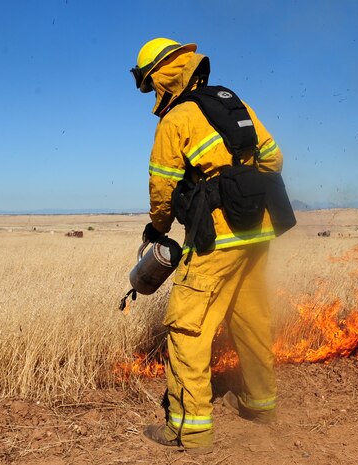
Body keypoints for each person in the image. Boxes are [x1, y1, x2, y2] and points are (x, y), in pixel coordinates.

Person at [130, 38, 285, 453]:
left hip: (217, 239)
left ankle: (189, 430)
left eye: (149, 86)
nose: (152, 96)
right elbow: (274, 160)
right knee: (250, 317)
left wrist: (160, 227)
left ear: (161, 77)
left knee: (186, 325)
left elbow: (161, 190)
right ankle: (260, 403)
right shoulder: (235, 104)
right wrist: (240, 183)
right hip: (259, 231)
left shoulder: (175, 120)